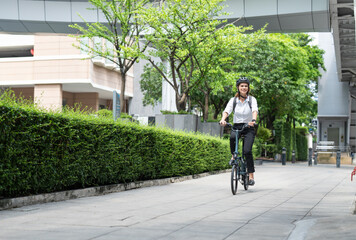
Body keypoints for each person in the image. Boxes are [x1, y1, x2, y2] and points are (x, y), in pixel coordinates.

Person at [219, 77, 258, 186]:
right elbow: (227, 110)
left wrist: (253, 120)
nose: (244, 88)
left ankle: (251, 176)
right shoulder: (234, 100)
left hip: (249, 126)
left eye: (246, 86)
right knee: (232, 137)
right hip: (237, 125)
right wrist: (223, 119)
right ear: (238, 88)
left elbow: (255, 110)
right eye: (242, 86)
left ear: (248, 88)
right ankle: (233, 156)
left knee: (247, 151)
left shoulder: (252, 100)